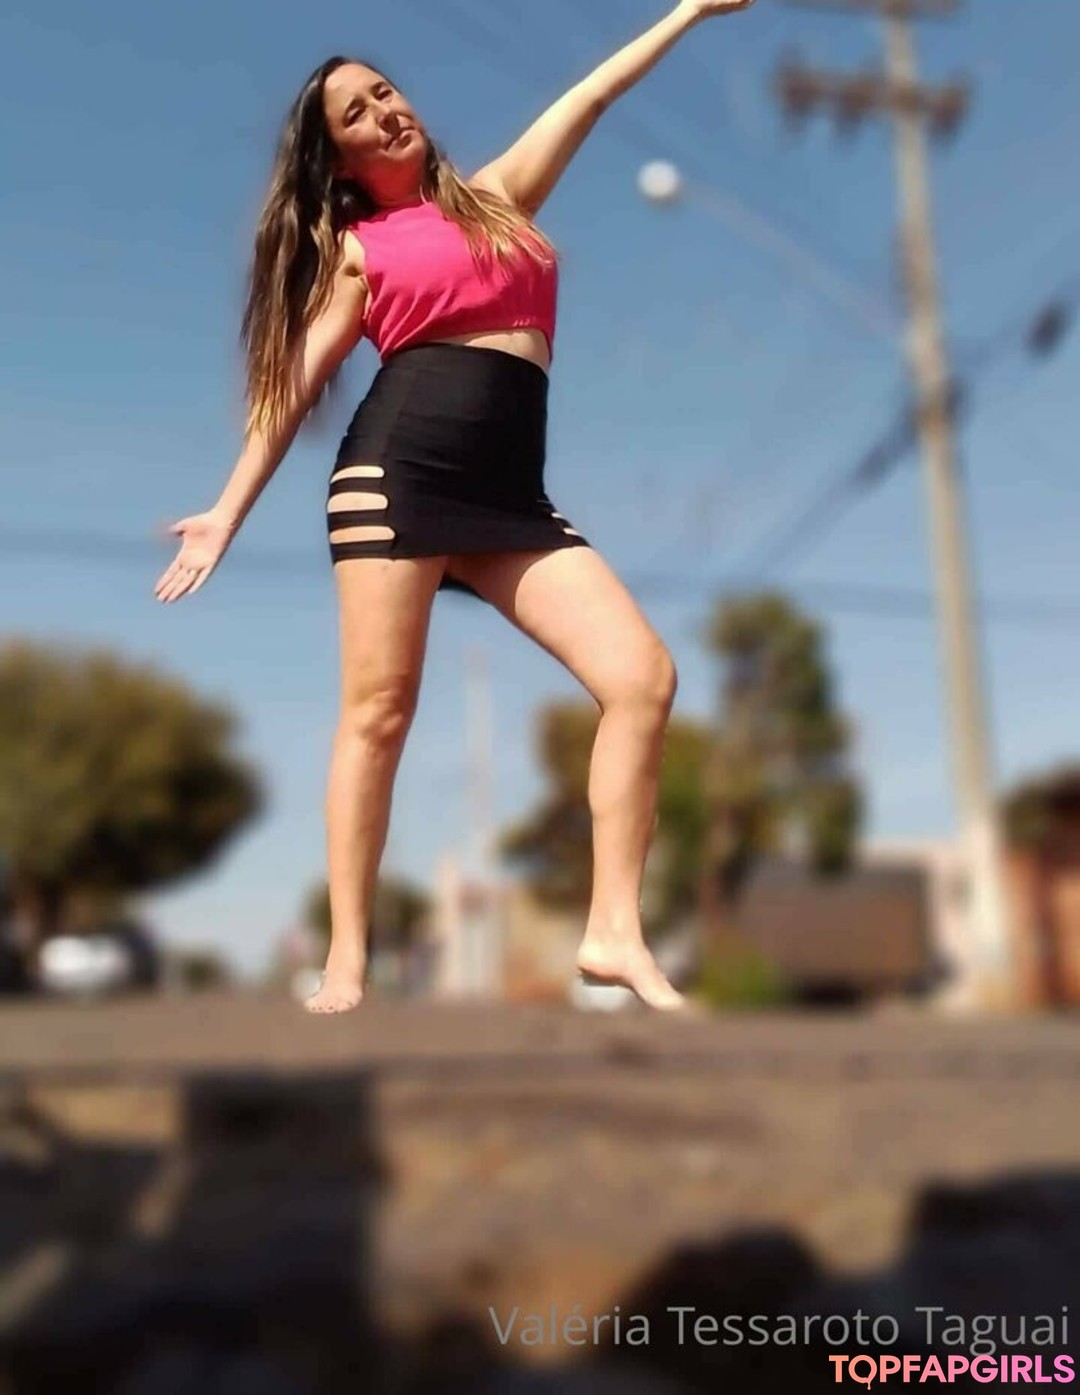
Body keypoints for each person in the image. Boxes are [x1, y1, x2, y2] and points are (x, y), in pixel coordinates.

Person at [154, 0, 756, 1014]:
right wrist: (226, 511)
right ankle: (347, 956)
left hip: (510, 494)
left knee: (641, 678)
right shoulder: (361, 249)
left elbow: (593, 95)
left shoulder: (497, 197)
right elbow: (291, 388)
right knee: (379, 712)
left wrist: (689, 11)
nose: (384, 112)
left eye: (384, 92)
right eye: (355, 114)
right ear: (341, 161)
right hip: (397, 475)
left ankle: (613, 930)